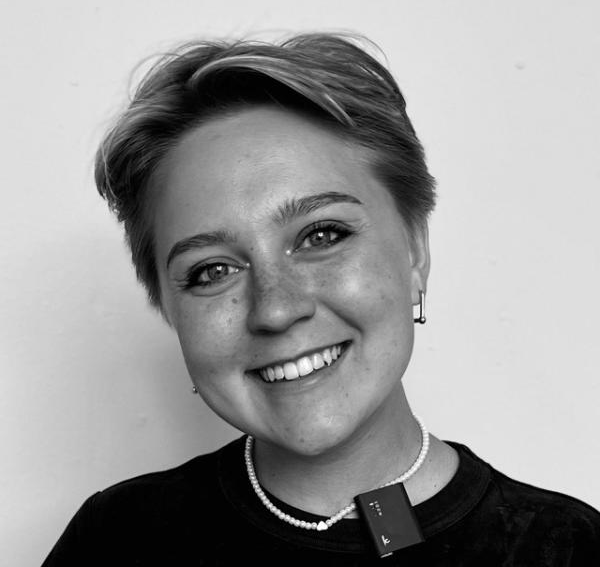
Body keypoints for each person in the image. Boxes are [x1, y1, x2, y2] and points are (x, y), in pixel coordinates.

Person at [43, 33, 600, 566]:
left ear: (414, 251)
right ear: (168, 308)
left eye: (321, 236)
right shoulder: (115, 540)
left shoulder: (568, 547)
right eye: (212, 271)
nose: (276, 309)